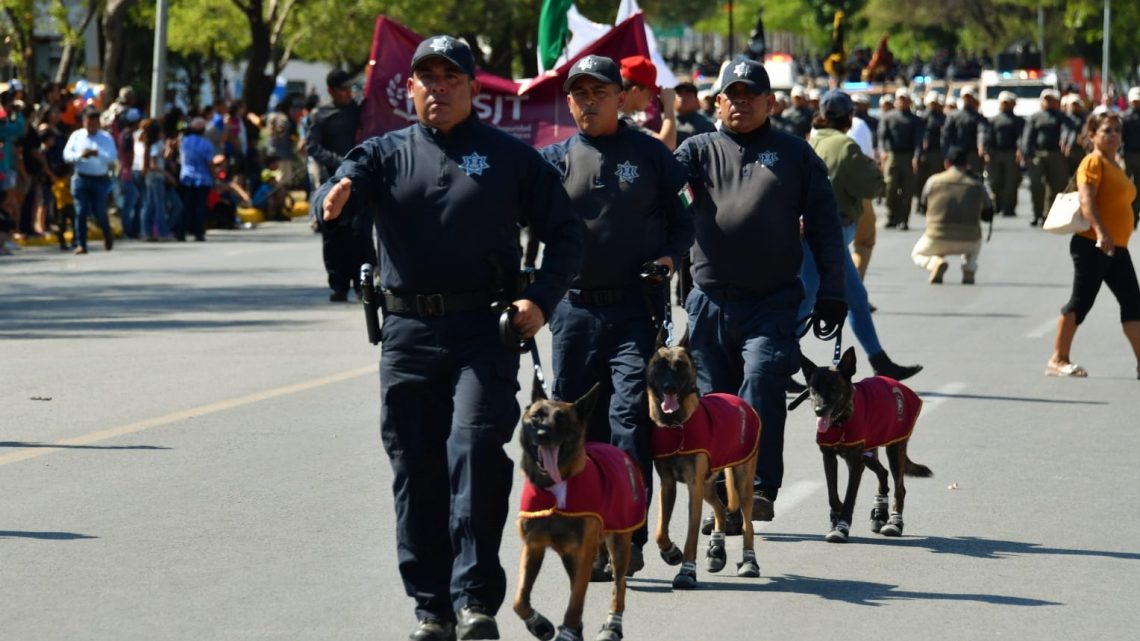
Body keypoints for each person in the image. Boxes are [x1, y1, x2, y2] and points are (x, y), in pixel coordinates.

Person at [312, 35, 583, 641]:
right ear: (409, 88)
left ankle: (474, 602)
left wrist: (540, 301)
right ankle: (430, 608)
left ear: (472, 88)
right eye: (426, 78)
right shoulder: (385, 153)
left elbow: (567, 234)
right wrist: (333, 195)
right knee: (416, 468)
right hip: (407, 334)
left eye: (451, 78)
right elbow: (346, 175)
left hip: (482, 332)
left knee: (474, 452)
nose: (438, 87)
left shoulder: (509, 158)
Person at [539, 54, 694, 576]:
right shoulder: (552, 160)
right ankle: (590, 529)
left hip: (634, 309)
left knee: (629, 418)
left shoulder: (651, 156)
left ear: (620, 96)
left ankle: (626, 531)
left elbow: (684, 223)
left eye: (598, 92)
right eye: (578, 93)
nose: (588, 101)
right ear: (569, 101)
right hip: (573, 312)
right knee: (579, 427)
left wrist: (671, 259)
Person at [674, 58, 848, 524]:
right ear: (719, 101)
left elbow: (826, 227)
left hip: (772, 301)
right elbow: (661, 205)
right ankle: (720, 498)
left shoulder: (795, 155)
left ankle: (758, 486)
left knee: (762, 383)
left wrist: (833, 289)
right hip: (709, 302)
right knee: (714, 401)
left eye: (752, 94)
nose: (741, 102)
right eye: (733, 94)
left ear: (771, 102)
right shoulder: (696, 151)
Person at [802, 90, 923, 379]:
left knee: (856, 298)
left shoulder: (812, 140)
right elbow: (871, 188)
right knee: (804, 301)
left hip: (819, 231)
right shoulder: (845, 145)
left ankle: (879, 360)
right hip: (832, 232)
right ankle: (777, 361)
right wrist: (875, 170)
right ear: (849, 117)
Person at [1046, 112, 1140, 379]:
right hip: (1094, 243)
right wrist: (1100, 232)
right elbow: (1087, 200)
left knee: (1133, 303)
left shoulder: (1115, 164)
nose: (1113, 136)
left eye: (1116, 131)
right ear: (1092, 136)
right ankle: (1058, 359)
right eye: (1106, 131)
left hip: (1116, 246)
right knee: (1082, 301)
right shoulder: (1092, 162)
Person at [306, 68, 376, 302]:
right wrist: (339, 163)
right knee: (334, 238)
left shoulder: (361, 111)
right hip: (332, 183)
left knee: (361, 234)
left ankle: (361, 284)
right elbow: (312, 147)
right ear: (331, 91)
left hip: (360, 183)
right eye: (343, 89)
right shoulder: (320, 115)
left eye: (350, 88)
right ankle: (338, 285)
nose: (348, 93)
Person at [913, 146, 995, 284]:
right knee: (975, 243)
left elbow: (923, 205)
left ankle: (934, 263)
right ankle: (969, 268)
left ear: (946, 163)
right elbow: (988, 214)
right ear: (966, 165)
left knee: (917, 253)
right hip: (969, 240)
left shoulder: (933, 181)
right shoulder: (976, 185)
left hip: (936, 238)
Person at [61, 107, 117, 254]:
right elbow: (67, 155)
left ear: (98, 123)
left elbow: (112, 157)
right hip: (81, 178)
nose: (91, 126)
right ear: (84, 122)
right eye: (88, 123)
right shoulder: (77, 136)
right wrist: (81, 155)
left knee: (100, 211)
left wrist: (97, 154)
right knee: (81, 211)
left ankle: (107, 233)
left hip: (100, 179)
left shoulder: (105, 137)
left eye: (94, 123)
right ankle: (81, 244)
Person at [1022, 89, 1071, 227]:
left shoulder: (1062, 117)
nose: (1049, 102)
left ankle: (1049, 215)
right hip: (1038, 155)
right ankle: (1037, 214)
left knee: (1057, 186)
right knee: (1036, 184)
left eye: (1052, 100)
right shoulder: (1035, 117)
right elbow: (1028, 136)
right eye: (1046, 99)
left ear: (1057, 102)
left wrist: (1065, 140)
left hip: (1056, 155)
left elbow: (1067, 129)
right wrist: (1026, 153)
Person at [879, 87, 922, 229]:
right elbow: (882, 138)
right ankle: (891, 217)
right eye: (900, 99)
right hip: (892, 156)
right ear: (896, 100)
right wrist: (882, 152)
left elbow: (917, 140)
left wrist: (916, 157)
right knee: (890, 187)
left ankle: (904, 219)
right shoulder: (888, 117)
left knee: (907, 190)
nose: (902, 102)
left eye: (905, 99)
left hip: (907, 156)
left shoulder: (915, 120)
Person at [618, 55, 677, 150]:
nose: (651, 98)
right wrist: (668, 105)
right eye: (650, 92)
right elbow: (666, 144)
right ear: (635, 91)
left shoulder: (610, 112)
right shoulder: (620, 120)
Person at [985, 91, 1025, 218]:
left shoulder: (1019, 121)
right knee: (995, 182)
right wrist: (987, 152)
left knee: (1011, 183)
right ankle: (997, 205)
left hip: (1011, 154)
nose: (1006, 105)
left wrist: (1020, 150)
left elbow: (1021, 137)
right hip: (995, 154)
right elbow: (988, 137)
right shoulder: (993, 120)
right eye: (1004, 103)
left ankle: (1009, 208)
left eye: (1008, 103)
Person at [179, 117, 214, 241]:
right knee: (200, 207)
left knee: (186, 206)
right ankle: (198, 233)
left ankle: (181, 232)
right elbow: (210, 163)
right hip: (203, 179)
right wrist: (213, 176)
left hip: (186, 178)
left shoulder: (184, 142)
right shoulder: (206, 144)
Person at [942, 86, 986, 175]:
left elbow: (982, 131)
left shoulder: (978, 117)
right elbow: (946, 136)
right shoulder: (953, 116)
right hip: (956, 155)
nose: (967, 99)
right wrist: (946, 155)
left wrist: (981, 146)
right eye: (965, 97)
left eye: (969, 97)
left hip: (972, 154)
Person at [916, 91, 946, 198]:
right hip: (923, 153)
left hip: (936, 153)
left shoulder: (942, 118)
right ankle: (921, 201)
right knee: (921, 179)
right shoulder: (922, 118)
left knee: (935, 178)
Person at [673, 80, 715, 147]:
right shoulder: (664, 121)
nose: (683, 98)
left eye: (688, 94)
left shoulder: (706, 126)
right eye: (679, 94)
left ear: (696, 100)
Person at [1122, 87, 1140, 227]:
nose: (1136, 103)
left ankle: (1135, 215)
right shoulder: (1124, 117)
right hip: (1128, 155)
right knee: (1126, 187)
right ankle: (1127, 215)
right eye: (1134, 101)